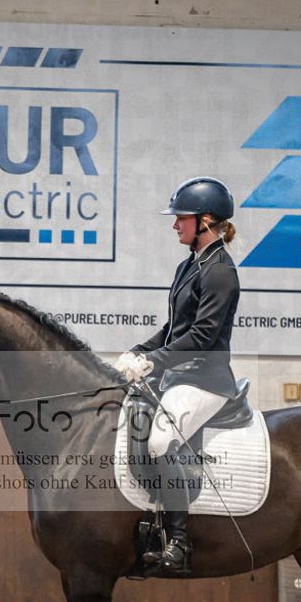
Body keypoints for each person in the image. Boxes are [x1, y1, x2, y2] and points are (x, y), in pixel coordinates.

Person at [115, 176, 240, 572]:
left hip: (207, 380)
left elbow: (203, 335)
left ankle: (180, 543)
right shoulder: (191, 264)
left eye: (181, 219)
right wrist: (140, 350)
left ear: (205, 220)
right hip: (181, 374)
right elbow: (174, 329)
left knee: (160, 441)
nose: (175, 225)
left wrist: (155, 362)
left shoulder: (219, 270)